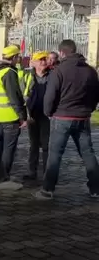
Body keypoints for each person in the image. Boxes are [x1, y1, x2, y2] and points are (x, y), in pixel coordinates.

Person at [34, 40, 99, 200]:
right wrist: (88, 109)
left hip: (62, 117)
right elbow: (96, 95)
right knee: (88, 153)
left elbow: (50, 96)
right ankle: (96, 188)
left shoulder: (59, 71)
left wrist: (48, 112)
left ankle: (47, 189)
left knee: (55, 154)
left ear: (62, 53)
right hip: (82, 117)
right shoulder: (90, 71)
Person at [0, 45, 27, 190]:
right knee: (8, 148)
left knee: (0, 146)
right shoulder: (9, 72)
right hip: (9, 115)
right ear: (14, 57)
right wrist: (23, 116)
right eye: (17, 57)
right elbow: (14, 96)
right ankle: (4, 177)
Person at [20, 51, 51, 180]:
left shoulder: (53, 75)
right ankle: (32, 171)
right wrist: (24, 115)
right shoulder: (27, 76)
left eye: (45, 59)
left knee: (46, 145)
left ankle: (47, 173)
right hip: (32, 115)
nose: (43, 62)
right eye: (40, 59)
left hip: (47, 116)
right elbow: (22, 95)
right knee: (33, 144)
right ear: (33, 63)